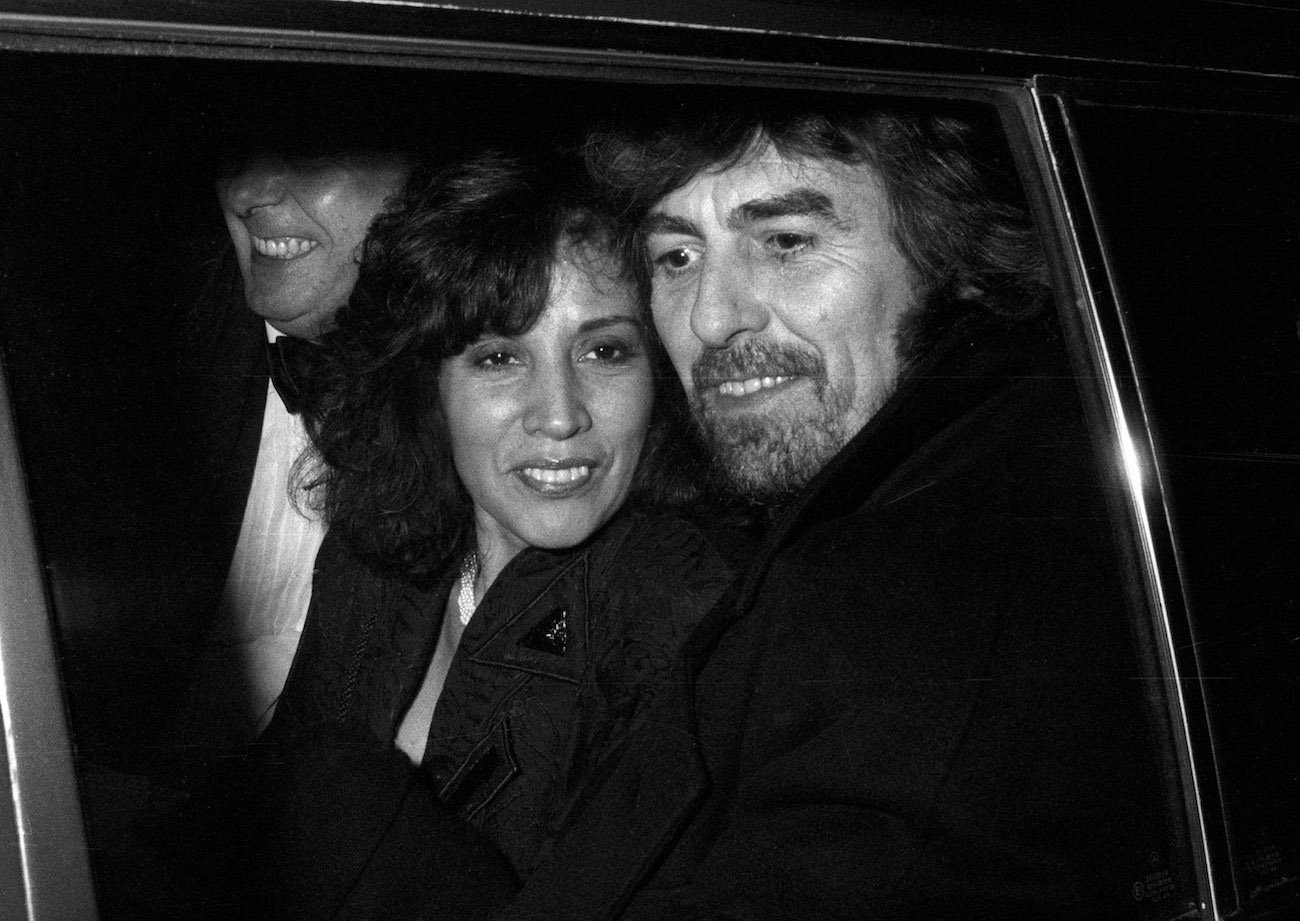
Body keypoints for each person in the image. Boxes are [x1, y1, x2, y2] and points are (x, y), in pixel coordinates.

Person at [475, 102, 1177, 919]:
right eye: (676, 256)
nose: (711, 315)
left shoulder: (928, 603)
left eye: (785, 242)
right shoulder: (928, 484)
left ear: (945, 251)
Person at [192, 148, 736, 920]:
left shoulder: (685, 614)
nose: (560, 414)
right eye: (499, 357)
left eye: (605, 349)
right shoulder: (374, 542)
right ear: (429, 383)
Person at [171, 144, 413, 750]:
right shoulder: (142, 365)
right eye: (238, 148)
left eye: (306, 152)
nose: (249, 193)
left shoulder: (500, 378)